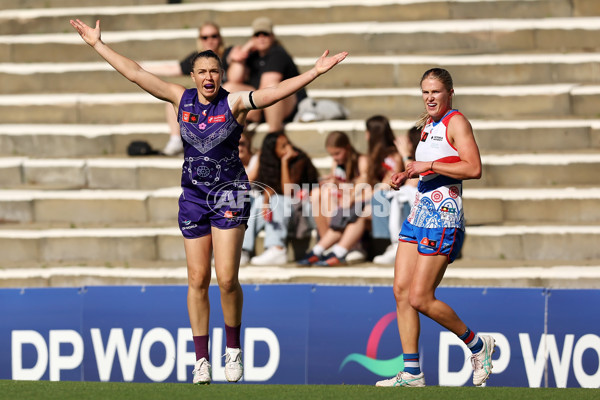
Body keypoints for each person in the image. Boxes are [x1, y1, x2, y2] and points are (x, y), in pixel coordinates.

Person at [69, 18, 347, 384]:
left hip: (229, 195)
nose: (208, 77)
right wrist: (97, 45)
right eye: (202, 71)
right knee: (197, 279)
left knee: (227, 279)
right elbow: (136, 73)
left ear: (221, 74)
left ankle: (233, 348)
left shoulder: (233, 102)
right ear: (193, 74)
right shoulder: (178, 97)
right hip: (193, 198)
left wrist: (312, 72)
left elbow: (272, 94)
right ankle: (202, 359)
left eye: (214, 70)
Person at [375, 68, 495, 388]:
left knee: (420, 297)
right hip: (419, 212)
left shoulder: (456, 121)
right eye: (425, 92)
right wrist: (408, 175)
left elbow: (473, 168)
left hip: (442, 217)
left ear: (449, 93)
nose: (429, 97)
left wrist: (426, 166)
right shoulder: (429, 124)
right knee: (400, 290)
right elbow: (434, 166)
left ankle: (477, 345)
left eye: (436, 92)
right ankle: (412, 372)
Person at [149, 22, 233, 156]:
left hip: (227, 105)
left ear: (220, 38)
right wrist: (139, 68)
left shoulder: (229, 53)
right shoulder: (196, 58)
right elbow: (172, 69)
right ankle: (176, 140)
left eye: (214, 36)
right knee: (176, 97)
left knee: (230, 87)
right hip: (206, 106)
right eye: (205, 37)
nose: (210, 40)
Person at [242, 130, 319, 265]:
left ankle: (277, 248)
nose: (288, 148)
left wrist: (285, 162)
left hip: (302, 210)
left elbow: (288, 191)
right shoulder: (269, 163)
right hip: (281, 211)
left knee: (277, 200)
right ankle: (243, 250)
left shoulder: (299, 159)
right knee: (260, 200)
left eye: (288, 143)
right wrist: (265, 201)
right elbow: (268, 189)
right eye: (283, 146)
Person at [298, 130, 370, 266]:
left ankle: (337, 243)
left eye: (337, 153)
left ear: (347, 147)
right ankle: (328, 242)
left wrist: (342, 188)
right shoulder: (336, 163)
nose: (335, 158)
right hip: (344, 201)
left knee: (328, 193)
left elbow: (364, 183)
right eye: (332, 155)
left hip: (358, 201)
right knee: (319, 193)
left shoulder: (361, 160)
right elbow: (336, 182)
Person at [226, 17, 307, 132]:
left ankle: (274, 134)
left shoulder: (278, 53)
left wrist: (249, 110)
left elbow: (267, 87)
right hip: (261, 104)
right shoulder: (252, 55)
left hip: (286, 105)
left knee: (271, 87)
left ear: (272, 36)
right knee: (229, 87)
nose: (261, 38)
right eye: (257, 35)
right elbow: (233, 78)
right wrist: (245, 49)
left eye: (265, 34)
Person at [371, 124, 420, 265]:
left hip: (424, 208)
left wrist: (405, 155)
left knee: (398, 197)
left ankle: (399, 245)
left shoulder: (422, 159)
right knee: (380, 196)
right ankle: (394, 244)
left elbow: (413, 184)